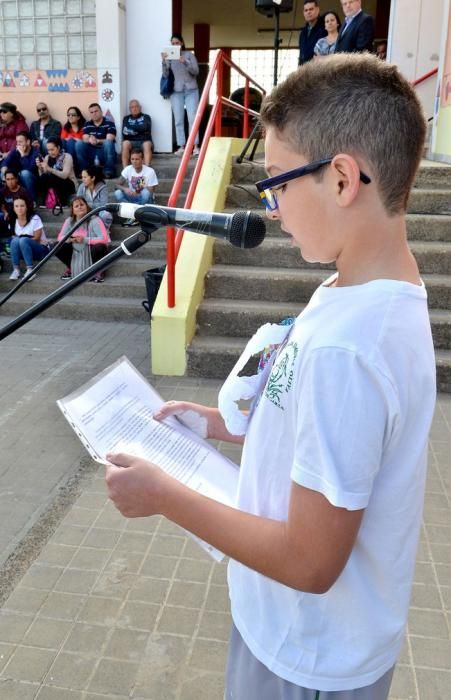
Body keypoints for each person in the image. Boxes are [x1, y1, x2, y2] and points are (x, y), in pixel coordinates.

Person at [105, 53, 437, 699]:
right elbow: (315, 429)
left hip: (308, 653)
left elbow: (309, 563)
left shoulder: (351, 346)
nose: (274, 209)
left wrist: (164, 496)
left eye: (279, 183)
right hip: (289, 629)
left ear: (341, 178)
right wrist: (222, 426)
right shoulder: (352, 291)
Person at [55, 196, 110, 283]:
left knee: (99, 247)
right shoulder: (69, 221)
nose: (80, 207)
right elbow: (60, 237)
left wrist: (85, 240)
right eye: (76, 206)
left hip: (91, 249)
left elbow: (104, 239)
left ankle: (99, 271)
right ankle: (71, 268)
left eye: (82, 204)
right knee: (57, 246)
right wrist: (70, 240)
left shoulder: (95, 220)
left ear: (86, 206)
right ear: (73, 210)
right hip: (76, 249)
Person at [161, 33, 200, 156]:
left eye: (177, 43)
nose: (175, 45)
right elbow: (166, 75)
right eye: (173, 43)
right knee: (178, 119)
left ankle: (195, 146)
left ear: (182, 43)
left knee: (192, 118)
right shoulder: (170, 57)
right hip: (176, 91)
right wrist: (164, 61)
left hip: (191, 90)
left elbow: (196, 71)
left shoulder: (189, 55)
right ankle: (181, 146)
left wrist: (185, 62)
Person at [9, 197, 49, 280]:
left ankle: (30, 270)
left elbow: (37, 239)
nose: (19, 208)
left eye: (22, 206)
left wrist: (23, 241)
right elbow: (14, 238)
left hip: (40, 250)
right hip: (24, 251)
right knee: (14, 241)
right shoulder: (13, 221)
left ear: (26, 207)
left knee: (23, 240)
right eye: (16, 206)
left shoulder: (35, 218)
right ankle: (16, 270)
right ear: (13, 208)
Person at [77, 103, 117, 178]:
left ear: (101, 112)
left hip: (104, 151)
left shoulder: (109, 123)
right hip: (91, 151)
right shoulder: (87, 124)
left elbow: (110, 138)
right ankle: (85, 171)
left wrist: (98, 141)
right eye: (91, 112)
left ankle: (108, 171)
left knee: (108, 143)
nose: (94, 114)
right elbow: (85, 138)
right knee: (79, 144)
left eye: (96, 111)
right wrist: (90, 139)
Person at [35, 137, 77, 207]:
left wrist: (49, 168)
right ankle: (42, 202)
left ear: (58, 147)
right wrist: (40, 167)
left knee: (54, 176)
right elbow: (43, 176)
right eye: (48, 150)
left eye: (52, 149)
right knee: (44, 177)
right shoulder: (47, 157)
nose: (50, 152)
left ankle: (62, 203)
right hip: (54, 184)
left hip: (69, 184)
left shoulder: (67, 156)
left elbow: (65, 175)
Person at [1, 131, 40, 200]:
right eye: (17, 142)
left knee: (24, 173)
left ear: (28, 142)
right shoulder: (15, 150)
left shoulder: (35, 152)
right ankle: (5, 200)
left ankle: (32, 200)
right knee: (2, 174)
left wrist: (22, 155)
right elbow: (5, 162)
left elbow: (30, 168)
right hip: (17, 177)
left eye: (20, 142)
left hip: (32, 180)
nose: (18, 144)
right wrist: (4, 172)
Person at [77, 165, 113, 229]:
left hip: (98, 213)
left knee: (106, 215)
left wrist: (87, 204)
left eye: (85, 177)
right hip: (86, 212)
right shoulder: (82, 187)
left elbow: (104, 205)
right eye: (82, 177)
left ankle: (104, 232)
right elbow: (77, 202)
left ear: (93, 178)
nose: (83, 179)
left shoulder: (102, 187)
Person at [0, 170, 33, 236]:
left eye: (12, 179)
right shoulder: (3, 191)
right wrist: (5, 212)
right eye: (8, 179)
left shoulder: (23, 192)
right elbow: (2, 204)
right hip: (7, 217)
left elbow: (29, 207)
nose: (10, 182)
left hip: (19, 217)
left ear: (16, 179)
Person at [121, 99, 153, 167]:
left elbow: (145, 128)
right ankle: (125, 171)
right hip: (131, 142)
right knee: (125, 143)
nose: (134, 109)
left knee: (147, 144)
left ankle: (147, 170)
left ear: (140, 107)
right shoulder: (126, 118)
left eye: (136, 106)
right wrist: (140, 129)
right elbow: (124, 132)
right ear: (130, 109)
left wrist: (131, 129)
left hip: (144, 141)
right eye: (132, 107)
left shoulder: (146, 117)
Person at [61, 106, 86, 173]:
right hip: (67, 153)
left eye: (73, 115)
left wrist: (73, 139)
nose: (70, 116)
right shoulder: (65, 128)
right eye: (68, 115)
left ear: (78, 117)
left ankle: (72, 168)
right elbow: (63, 140)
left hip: (79, 154)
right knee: (64, 142)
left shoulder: (83, 128)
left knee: (71, 142)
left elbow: (85, 142)